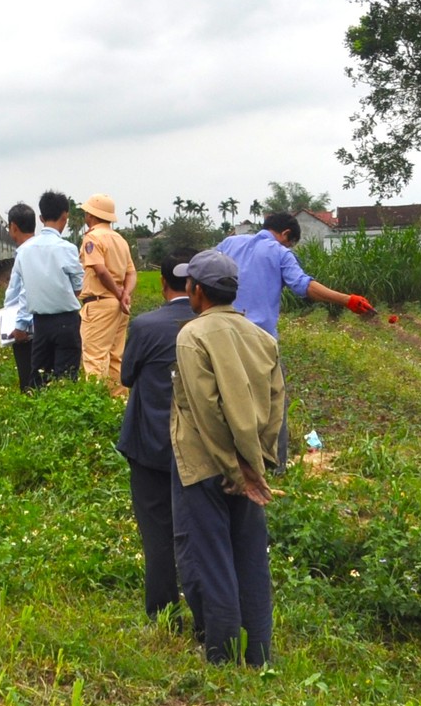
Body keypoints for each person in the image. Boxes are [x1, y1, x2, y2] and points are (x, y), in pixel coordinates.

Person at [169, 248, 287, 667]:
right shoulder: (262, 338)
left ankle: (220, 654)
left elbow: (205, 410)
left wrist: (234, 470)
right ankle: (258, 654)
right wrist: (257, 464)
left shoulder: (192, 336)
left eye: (188, 284)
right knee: (251, 557)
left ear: (197, 291)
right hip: (249, 467)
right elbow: (275, 409)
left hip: (205, 467)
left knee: (211, 557)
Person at [115, 257, 198, 620]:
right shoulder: (214, 326)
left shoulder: (145, 326)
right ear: (196, 285)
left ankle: (163, 611)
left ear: (163, 283)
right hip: (201, 450)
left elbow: (127, 377)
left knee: (157, 531)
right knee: (198, 530)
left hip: (150, 445)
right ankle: (206, 611)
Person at [212, 212, 374, 336]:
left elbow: (201, 270)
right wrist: (348, 300)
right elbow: (304, 286)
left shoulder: (229, 243)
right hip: (257, 336)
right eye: (289, 244)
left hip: (219, 332)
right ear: (285, 234)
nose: (287, 247)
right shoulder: (280, 252)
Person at [15, 191, 86, 381]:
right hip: (66, 322)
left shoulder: (24, 251)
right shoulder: (67, 249)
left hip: (40, 323)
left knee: (39, 375)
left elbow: (22, 291)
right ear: (65, 217)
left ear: (40, 218)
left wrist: (20, 323)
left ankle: (38, 408)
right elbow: (78, 286)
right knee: (67, 376)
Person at [78, 194, 138, 392]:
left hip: (99, 304)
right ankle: (118, 403)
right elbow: (131, 273)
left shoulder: (93, 238)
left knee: (94, 358)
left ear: (92, 215)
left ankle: (94, 404)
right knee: (115, 357)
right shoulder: (120, 240)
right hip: (119, 307)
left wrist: (118, 292)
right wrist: (125, 294)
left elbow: (100, 270)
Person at [1, 203, 42, 390]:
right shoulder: (39, 249)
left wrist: (20, 325)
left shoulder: (25, 253)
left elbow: (27, 290)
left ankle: (31, 412)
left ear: (14, 227)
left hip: (26, 330)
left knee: (29, 382)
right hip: (39, 325)